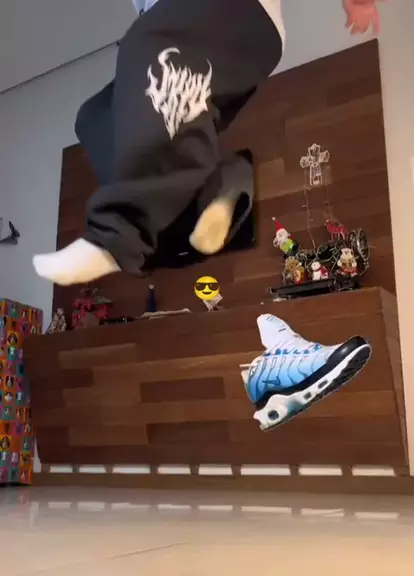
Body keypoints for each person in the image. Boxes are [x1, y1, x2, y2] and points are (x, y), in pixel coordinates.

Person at [33, 0, 385, 286]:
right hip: (213, 33)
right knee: (96, 118)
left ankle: (117, 237)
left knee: (143, 43)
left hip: (237, 12)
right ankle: (214, 190)